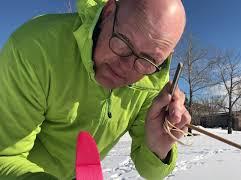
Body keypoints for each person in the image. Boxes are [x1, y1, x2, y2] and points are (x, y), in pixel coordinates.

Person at [0, 0, 189, 179]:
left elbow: (151, 173)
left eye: (147, 60)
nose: (125, 67)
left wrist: (157, 149)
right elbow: (5, 157)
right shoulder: (36, 49)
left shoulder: (152, 85)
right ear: (108, 12)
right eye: (123, 42)